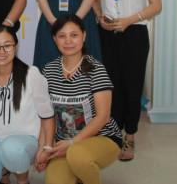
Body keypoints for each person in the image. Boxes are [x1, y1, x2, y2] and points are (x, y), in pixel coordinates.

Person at [94, 0, 162, 161]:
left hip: (134, 34)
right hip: (108, 33)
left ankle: (130, 135)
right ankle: (113, 133)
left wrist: (130, 19)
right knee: (110, 85)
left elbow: (156, 5)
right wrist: (100, 14)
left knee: (132, 84)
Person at [39, 14, 122, 184]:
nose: (68, 41)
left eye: (74, 35)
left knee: (77, 156)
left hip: (102, 137)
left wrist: (72, 143)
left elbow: (103, 117)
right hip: (63, 144)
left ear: (84, 36)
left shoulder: (95, 69)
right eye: (62, 36)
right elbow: (47, 116)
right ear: (55, 39)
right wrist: (44, 147)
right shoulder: (48, 71)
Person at [0, 26, 55, 184]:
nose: (1, 51)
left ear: (16, 47)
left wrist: (46, 147)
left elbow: (47, 115)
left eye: (7, 45)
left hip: (27, 141)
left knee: (12, 148)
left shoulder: (31, 74)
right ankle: (4, 171)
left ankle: (22, 180)